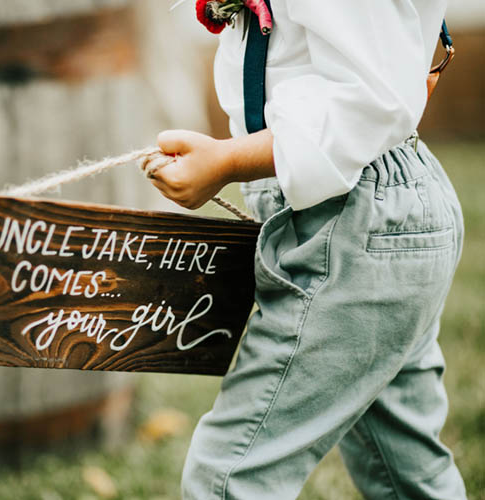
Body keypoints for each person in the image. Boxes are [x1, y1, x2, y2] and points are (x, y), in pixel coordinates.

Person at [144, 0, 468, 498]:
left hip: (350, 217)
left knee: (229, 477)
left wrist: (228, 160)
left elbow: (367, 100)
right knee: (402, 467)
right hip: (371, 210)